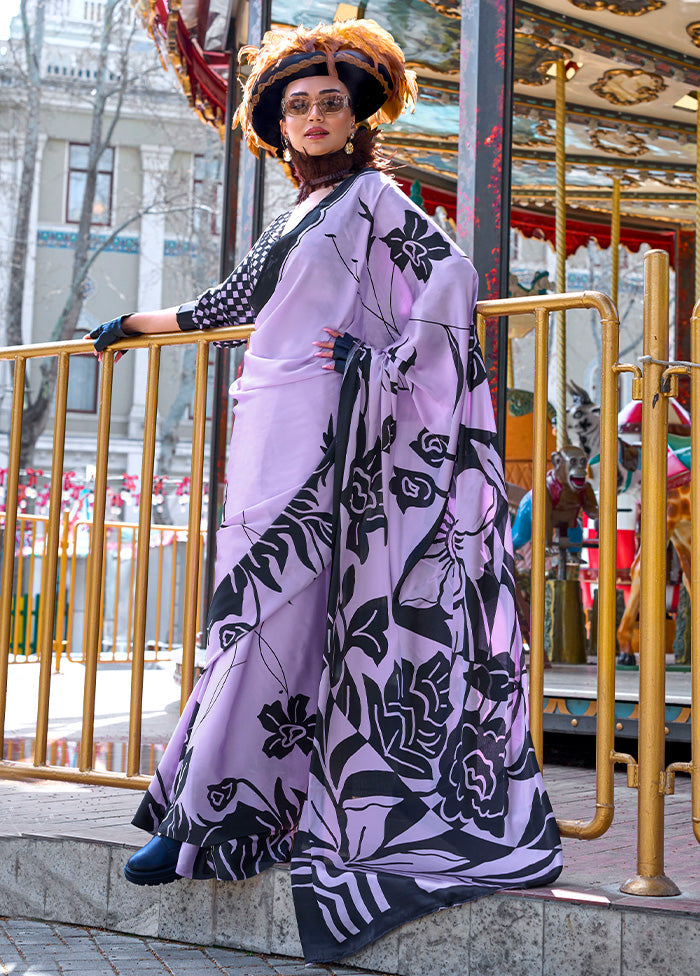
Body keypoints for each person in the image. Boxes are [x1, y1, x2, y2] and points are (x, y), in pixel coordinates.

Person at [90, 19, 562, 964]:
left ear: (358, 119)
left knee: (280, 622)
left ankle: (198, 823)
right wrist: (139, 322)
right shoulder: (298, 213)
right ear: (278, 121)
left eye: (330, 105)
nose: (312, 117)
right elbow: (240, 302)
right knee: (250, 619)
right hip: (270, 433)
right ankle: (215, 818)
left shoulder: (377, 200)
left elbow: (451, 283)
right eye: (296, 105)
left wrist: (376, 360)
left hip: (338, 439)